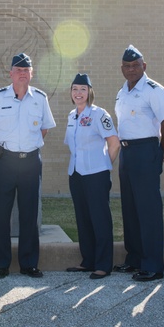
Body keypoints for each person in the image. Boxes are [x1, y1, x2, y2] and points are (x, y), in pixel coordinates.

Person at [0, 53, 56, 279]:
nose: (22, 73)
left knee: (30, 214)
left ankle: (29, 263)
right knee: (1, 214)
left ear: (31, 74)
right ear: (11, 73)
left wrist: (29, 145)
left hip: (31, 161)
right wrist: (1, 146)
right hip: (5, 161)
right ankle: (1, 264)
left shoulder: (40, 98)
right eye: (18, 69)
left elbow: (45, 128)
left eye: (27, 70)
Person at [113, 45, 164, 282]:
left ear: (144, 66)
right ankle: (135, 258)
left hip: (146, 150)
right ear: (122, 69)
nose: (131, 69)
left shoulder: (154, 90)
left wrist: (160, 151)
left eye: (135, 65)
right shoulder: (123, 91)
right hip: (127, 153)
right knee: (130, 209)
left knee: (148, 210)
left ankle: (152, 265)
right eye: (127, 66)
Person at [63, 73, 120, 279]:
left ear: (90, 92)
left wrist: (104, 166)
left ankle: (103, 264)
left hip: (96, 174)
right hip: (76, 174)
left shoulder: (99, 114)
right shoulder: (71, 116)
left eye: (83, 89)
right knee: (83, 219)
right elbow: (72, 146)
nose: (78, 93)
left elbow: (114, 143)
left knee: (100, 219)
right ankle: (87, 261)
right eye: (75, 89)